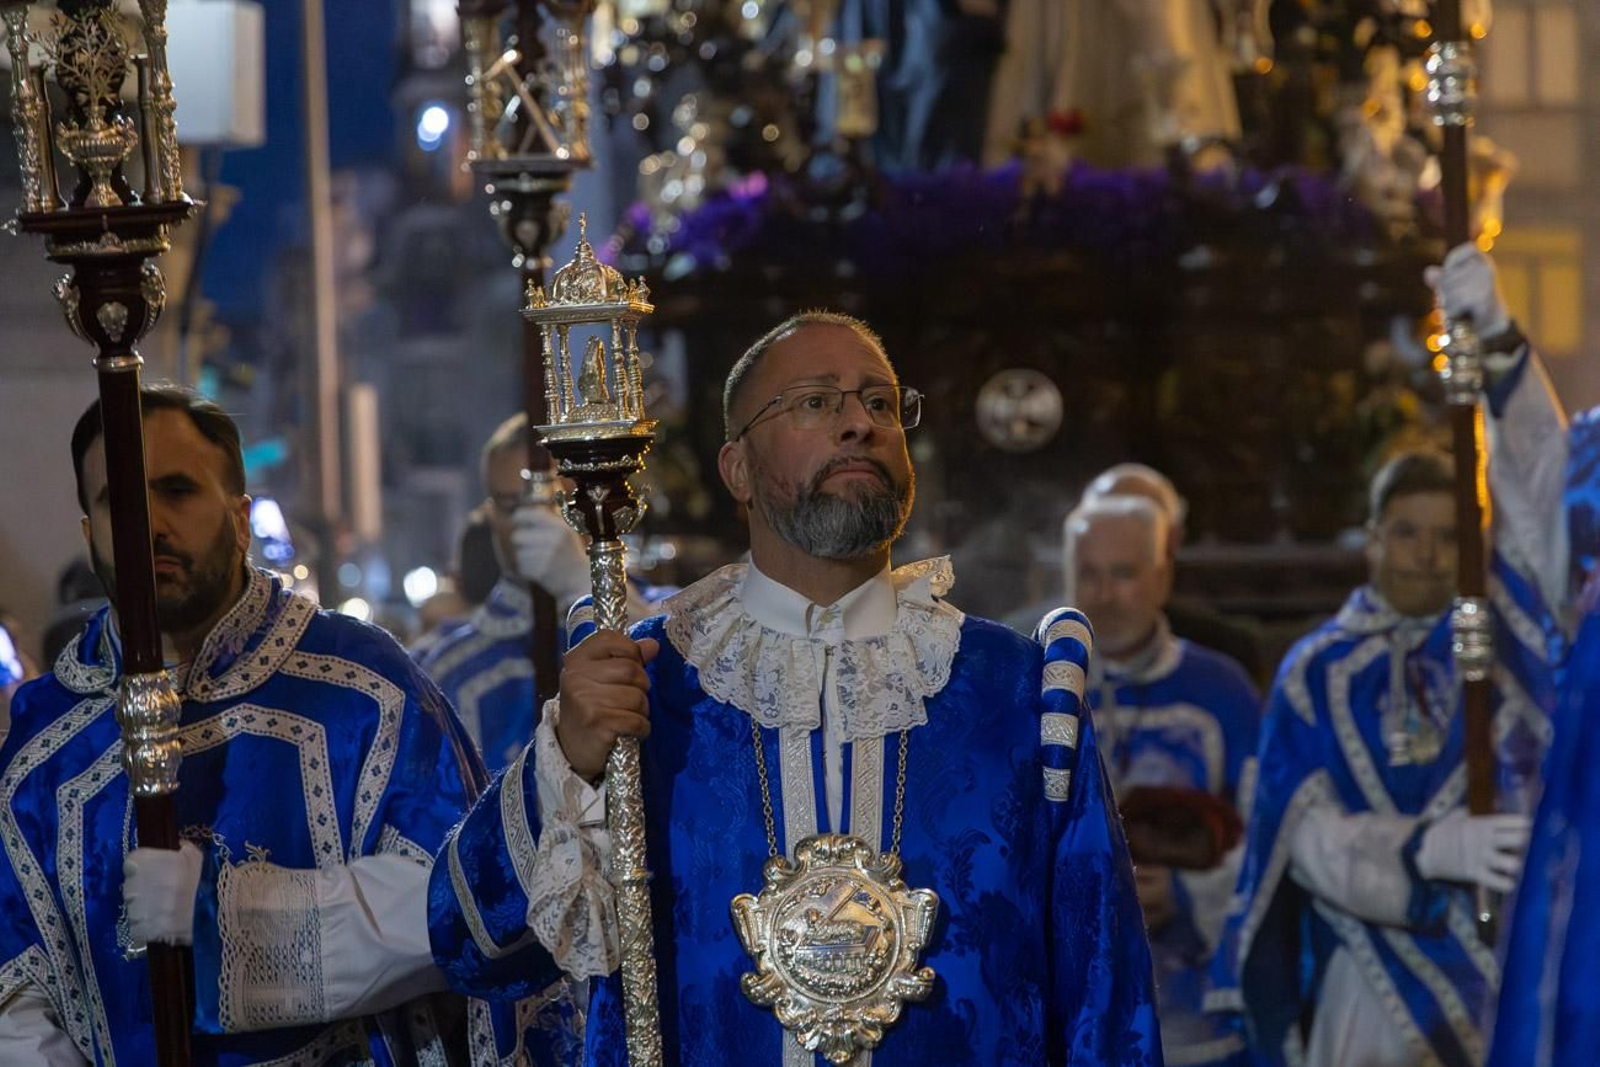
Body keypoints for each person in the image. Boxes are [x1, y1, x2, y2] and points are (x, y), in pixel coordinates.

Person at [427, 311, 1161, 1064]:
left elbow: (1106, 999)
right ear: (736, 467)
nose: (859, 424)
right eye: (816, 401)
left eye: (881, 403)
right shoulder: (647, 679)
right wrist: (567, 762)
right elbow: (473, 943)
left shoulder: (1017, 691)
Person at [0, 385, 556, 1064]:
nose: (149, 525)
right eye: (119, 501)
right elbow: (17, 996)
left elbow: (460, 908)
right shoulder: (43, 750)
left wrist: (222, 920)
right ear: (89, 534)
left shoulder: (366, 692)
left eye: (177, 490)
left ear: (239, 519)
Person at [1210, 448, 1555, 1067]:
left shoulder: (1510, 666)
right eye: (1406, 533)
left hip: (1496, 962)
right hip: (1366, 967)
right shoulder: (1315, 672)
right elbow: (1298, 834)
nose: (1427, 555)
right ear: (1373, 541)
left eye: (1449, 536)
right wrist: (1422, 851)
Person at [1066, 493, 1260, 1066]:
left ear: (1161, 575)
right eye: (1089, 575)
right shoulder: (1038, 687)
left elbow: (1271, 838)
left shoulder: (1222, 690)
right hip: (1080, 1012)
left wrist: (1184, 894)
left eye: (1123, 574)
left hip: (1202, 1020)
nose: (1105, 594)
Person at [418, 413, 592, 772]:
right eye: (513, 505)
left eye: (557, 500)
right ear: (490, 513)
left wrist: (584, 588)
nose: (536, 519)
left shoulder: (659, 615)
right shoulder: (448, 671)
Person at [1081, 462, 1266, 683]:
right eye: (1104, 524)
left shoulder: (1225, 654)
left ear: (1174, 538)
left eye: (1140, 523)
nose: (1119, 539)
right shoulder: (1039, 643)